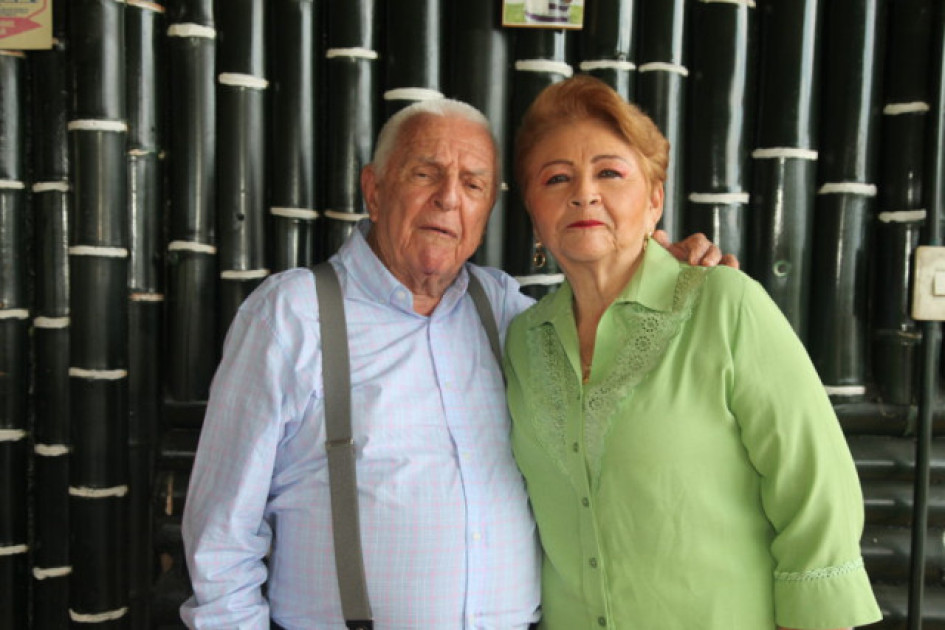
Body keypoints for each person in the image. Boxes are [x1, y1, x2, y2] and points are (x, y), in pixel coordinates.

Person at [179, 96, 728, 629]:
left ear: (487, 211)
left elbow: (607, 328)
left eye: (473, 185)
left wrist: (662, 268)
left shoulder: (510, 312)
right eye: (425, 174)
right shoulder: (291, 315)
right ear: (374, 190)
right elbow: (220, 544)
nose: (448, 199)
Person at [503, 74, 883, 630]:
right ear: (534, 213)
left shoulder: (726, 306)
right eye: (557, 177)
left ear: (654, 199)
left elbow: (816, 489)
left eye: (610, 172)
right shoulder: (522, 340)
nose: (584, 193)